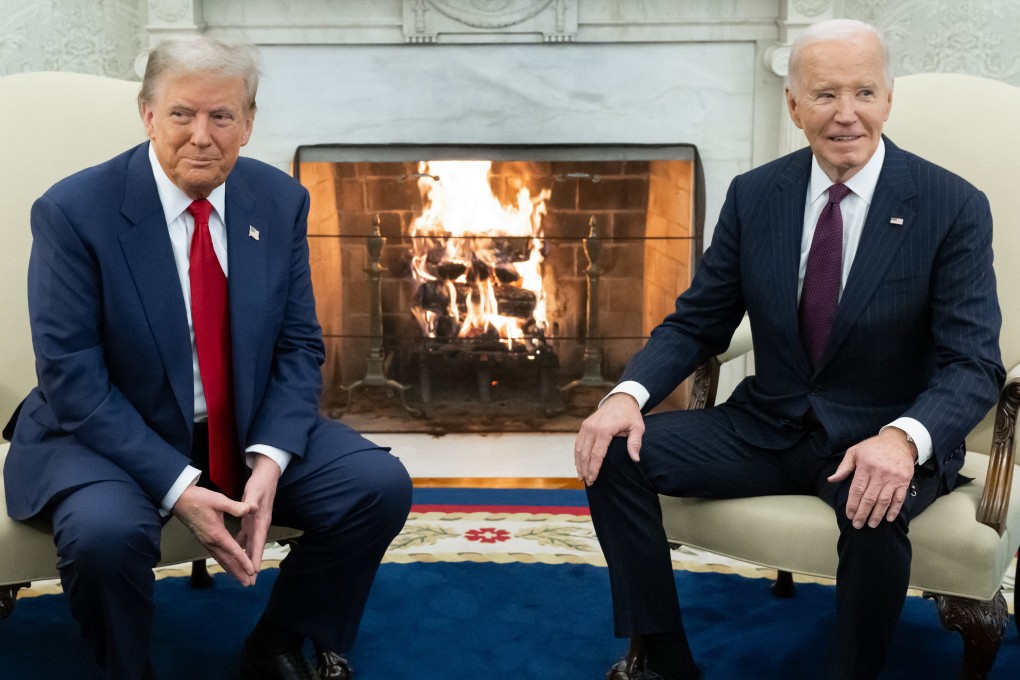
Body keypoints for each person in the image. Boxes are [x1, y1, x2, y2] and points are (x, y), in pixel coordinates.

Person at [574, 18, 1003, 680]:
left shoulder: (951, 205)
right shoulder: (756, 196)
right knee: (612, 453)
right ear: (794, 105)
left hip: (880, 433)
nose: (846, 114)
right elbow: (697, 323)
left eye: (864, 92)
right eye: (825, 94)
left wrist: (903, 440)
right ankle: (662, 661)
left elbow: (972, 362)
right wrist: (625, 397)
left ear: (888, 100)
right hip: (768, 424)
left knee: (875, 506)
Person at [2, 36, 412, 680]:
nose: (202, 135)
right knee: (105, 537)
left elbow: (298, 344)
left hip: (239, 427)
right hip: (106, 436)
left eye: (222, 115)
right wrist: (179, 486)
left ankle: (277, 643)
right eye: (181, 114)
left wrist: (271, 458)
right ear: (147, 115)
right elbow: (71, 377)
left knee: (376, 487)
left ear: (247, 123)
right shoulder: (74, 212)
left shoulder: (278, 200)